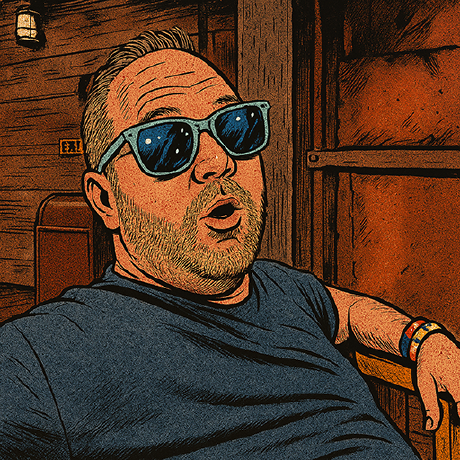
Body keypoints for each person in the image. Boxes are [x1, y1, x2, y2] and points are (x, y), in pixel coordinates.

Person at [1, 27, 459, 459]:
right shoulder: (46, 355)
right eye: (166, 143)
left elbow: (351, 313)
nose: (217, 161)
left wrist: (423, 339)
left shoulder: (284, 287)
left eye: (235, 127)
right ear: (106, 200)